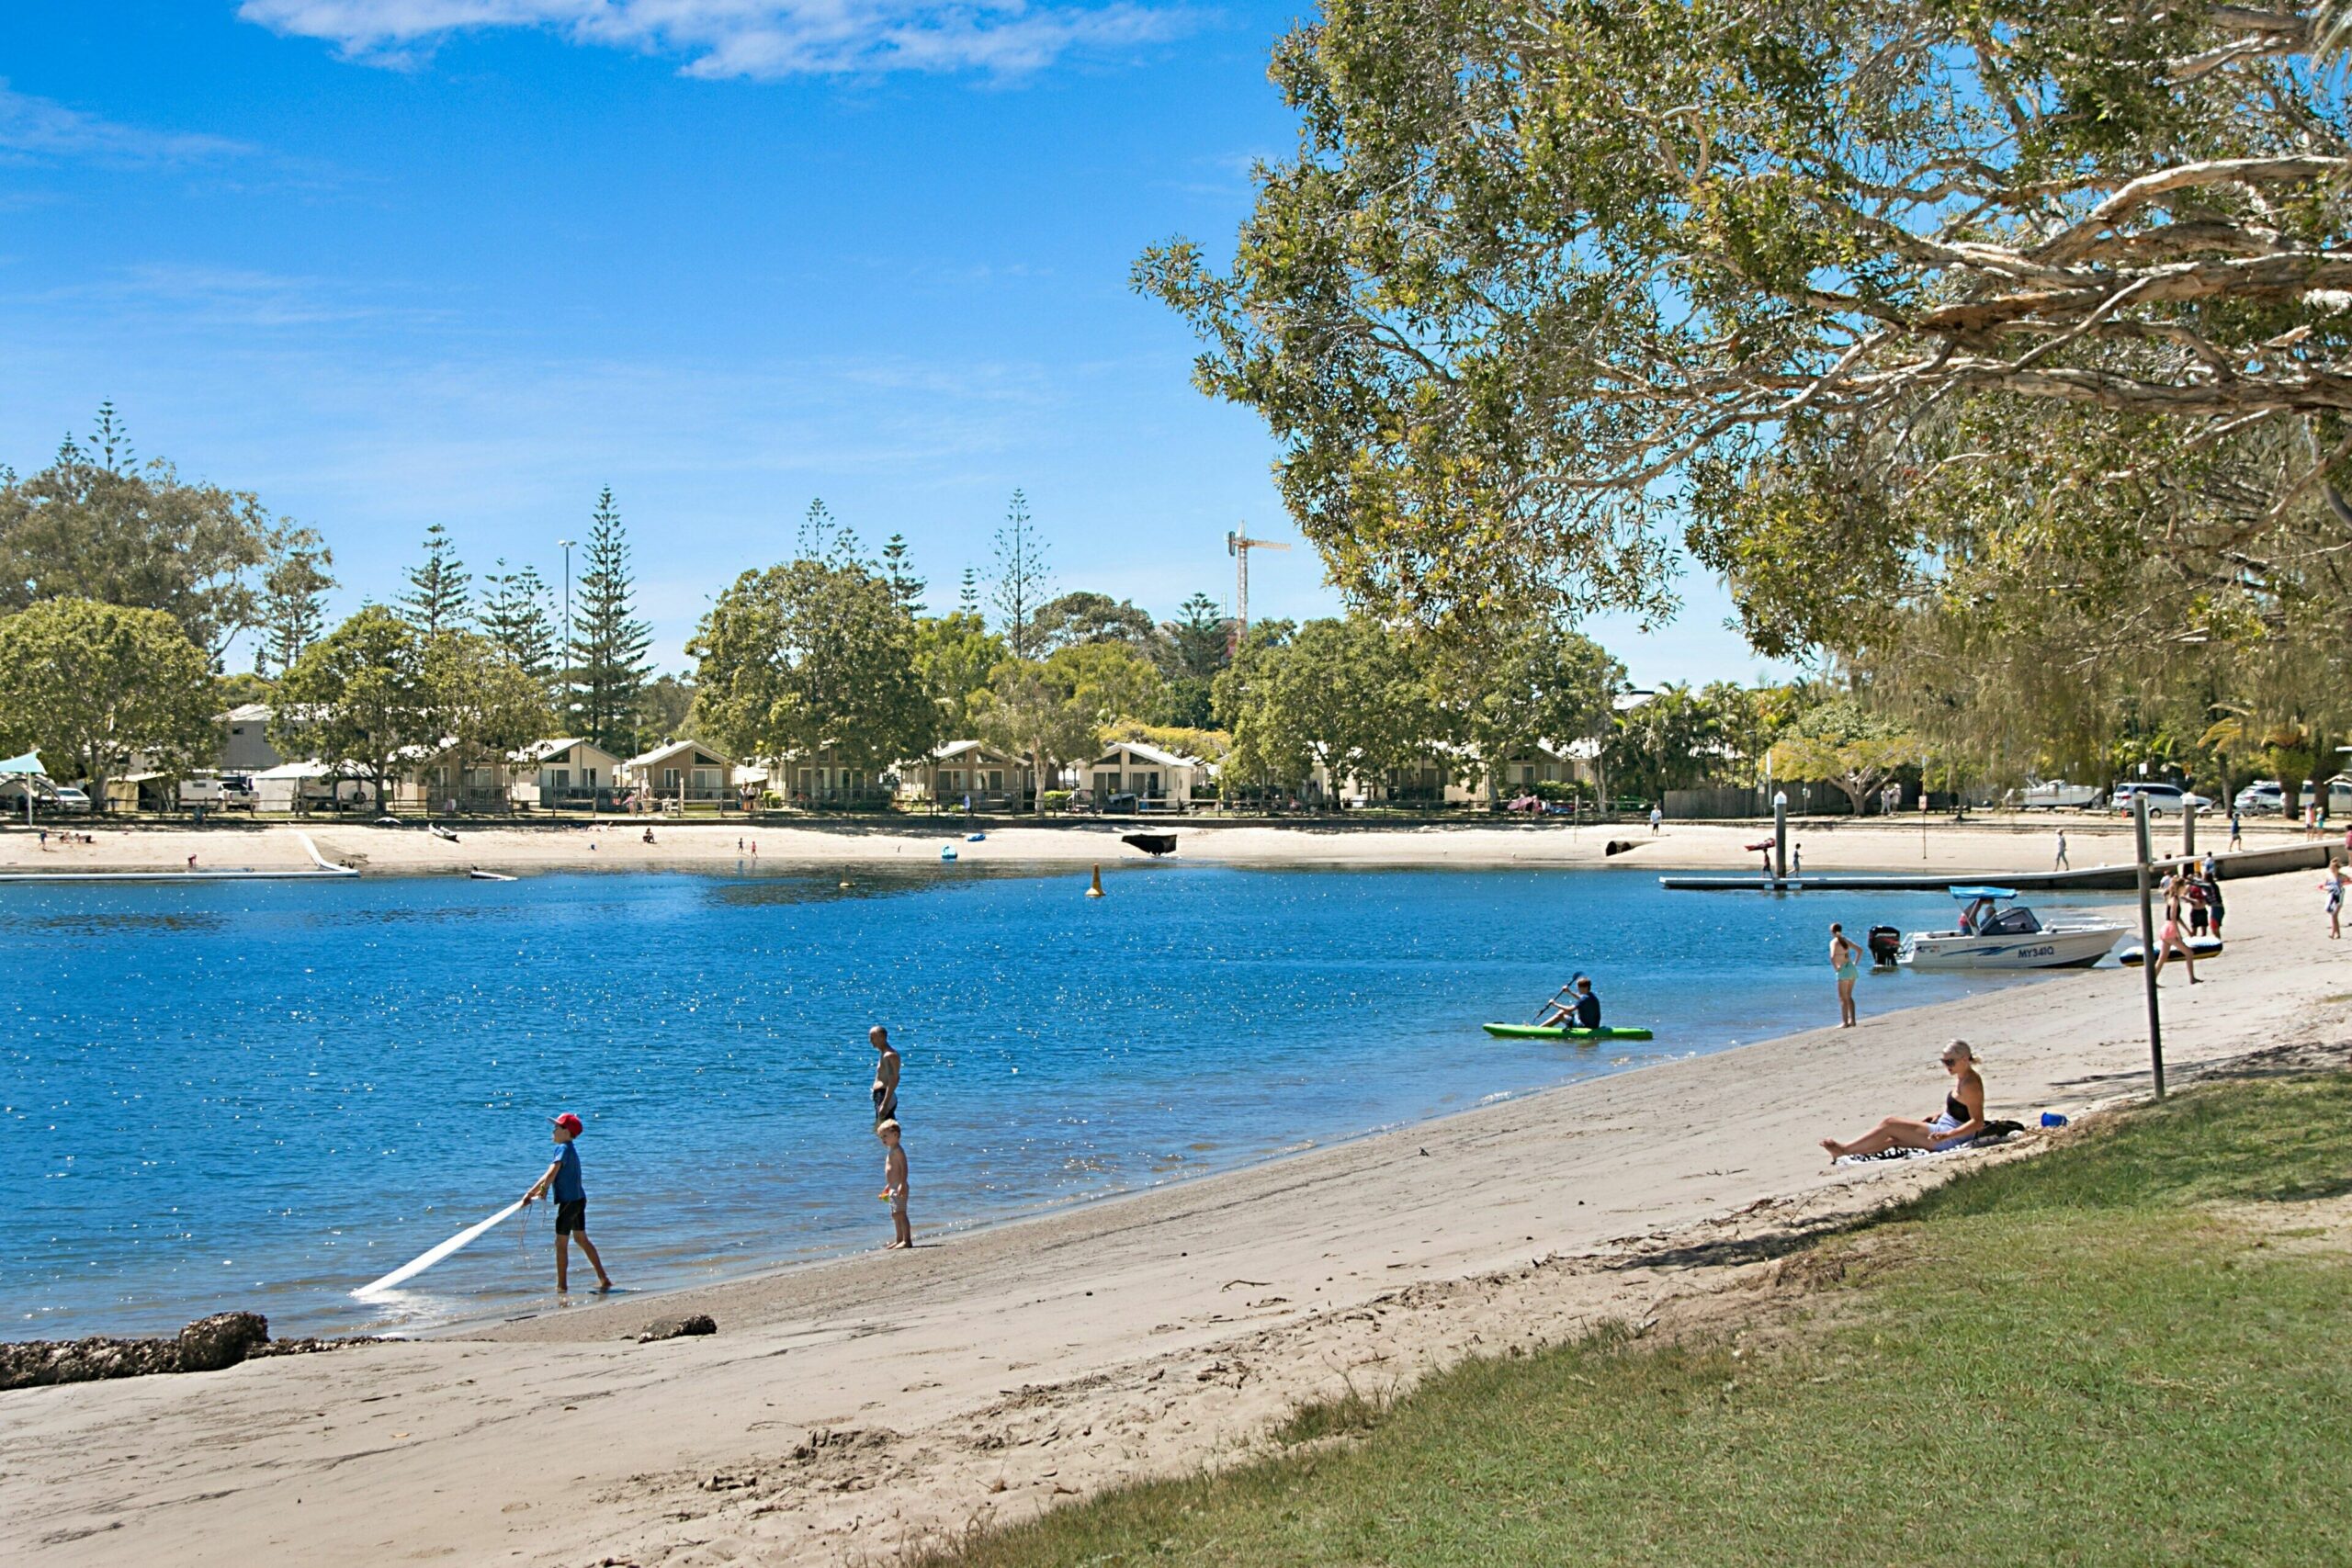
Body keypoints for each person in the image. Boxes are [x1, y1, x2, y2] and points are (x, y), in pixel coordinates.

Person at [1821, 1041, 1985, 1159]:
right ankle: (1845, 1153)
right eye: (1944, 1061)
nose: (1946, 1065)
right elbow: (1963, 1107)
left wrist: (1946, 1135)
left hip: (1949, 1137)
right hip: (1944, 1129)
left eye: (1950, 1062)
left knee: (1889, 1123)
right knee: (1893, 1139)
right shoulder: (1963, 1077)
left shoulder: (1970, 1084)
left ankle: (1844, 1149)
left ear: (1964, 1059)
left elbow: (1978, 1122)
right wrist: (1940, 1114)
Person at [521, 1112, 613, 1294]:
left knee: (560, 1244)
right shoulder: (568, 1149)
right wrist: (532, 1192)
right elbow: (548, 1173)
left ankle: (561, 1286)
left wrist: (543, 1190)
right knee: (581, 1239)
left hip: (570, 1203)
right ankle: (604, 1278)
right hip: (579, 1200)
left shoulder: (563, 1148)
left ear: (566, 1131)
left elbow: (552, 1173)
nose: (553, 1131)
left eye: (557, 1127)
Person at [2151, 873, 2201, 984]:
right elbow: (2173, 918)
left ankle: (2152, 981)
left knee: (2162, 957)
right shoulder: (2175, 900)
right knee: (2189, 953)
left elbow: (2177, 918)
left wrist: (2187, 930)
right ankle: (2192, 978)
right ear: (2181, 887)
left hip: (2166, 928)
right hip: (2170, 929)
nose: (2186, 889)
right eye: (2185, 886)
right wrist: (2178, 935)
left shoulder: (2174, 898)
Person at [876, 1119, 912, 1250]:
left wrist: (902, 1183)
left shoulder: (898, 1150)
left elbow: (904, 1168)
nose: (883, 1140)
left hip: (899, 1186)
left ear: (895, 1135)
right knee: (895, 1214)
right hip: (892, 1186)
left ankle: (907, 1240)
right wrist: (887, 1187)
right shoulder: (891, 1150)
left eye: (885, 1136)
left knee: (901, 1213)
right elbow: (891, 1171)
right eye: (881, 1137)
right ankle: (899, 1239)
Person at [1829, 922, 1861, 1029]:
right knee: (1849, 996)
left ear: (1832, 932)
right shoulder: (1845, 940)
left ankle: (1845, 1022)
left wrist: (1836, 968)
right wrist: (1855, 963)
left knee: (1842, 998)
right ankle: (1852, 1020)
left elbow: (1832, 956)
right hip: (1851, 969)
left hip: (1843, 970)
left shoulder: (1834, 942)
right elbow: (1859, 950)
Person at [870, 1024, 901, 1124]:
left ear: (882, 1037)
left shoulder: (890, 1055)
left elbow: (894, 1079)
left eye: (872, 1037)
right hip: (881, 1095)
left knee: (885, 1129)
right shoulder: (883, 1054)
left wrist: (885, 1103)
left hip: (884, 1096)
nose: (870, 1040)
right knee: (884, 1130)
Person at [2328, 863, 2348, 941]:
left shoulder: (2341, 876)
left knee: (2334, 915)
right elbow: (2326, 884)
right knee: (2333, 915)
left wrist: (2342, 884)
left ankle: (2336, 934)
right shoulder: (2330, 877)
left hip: (2340, 895)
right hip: (2332, 895)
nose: (2332, 870)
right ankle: (2334, 933)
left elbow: (2349, 880)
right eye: (2331, 868)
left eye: (2333, 868)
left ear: (2337, 868)